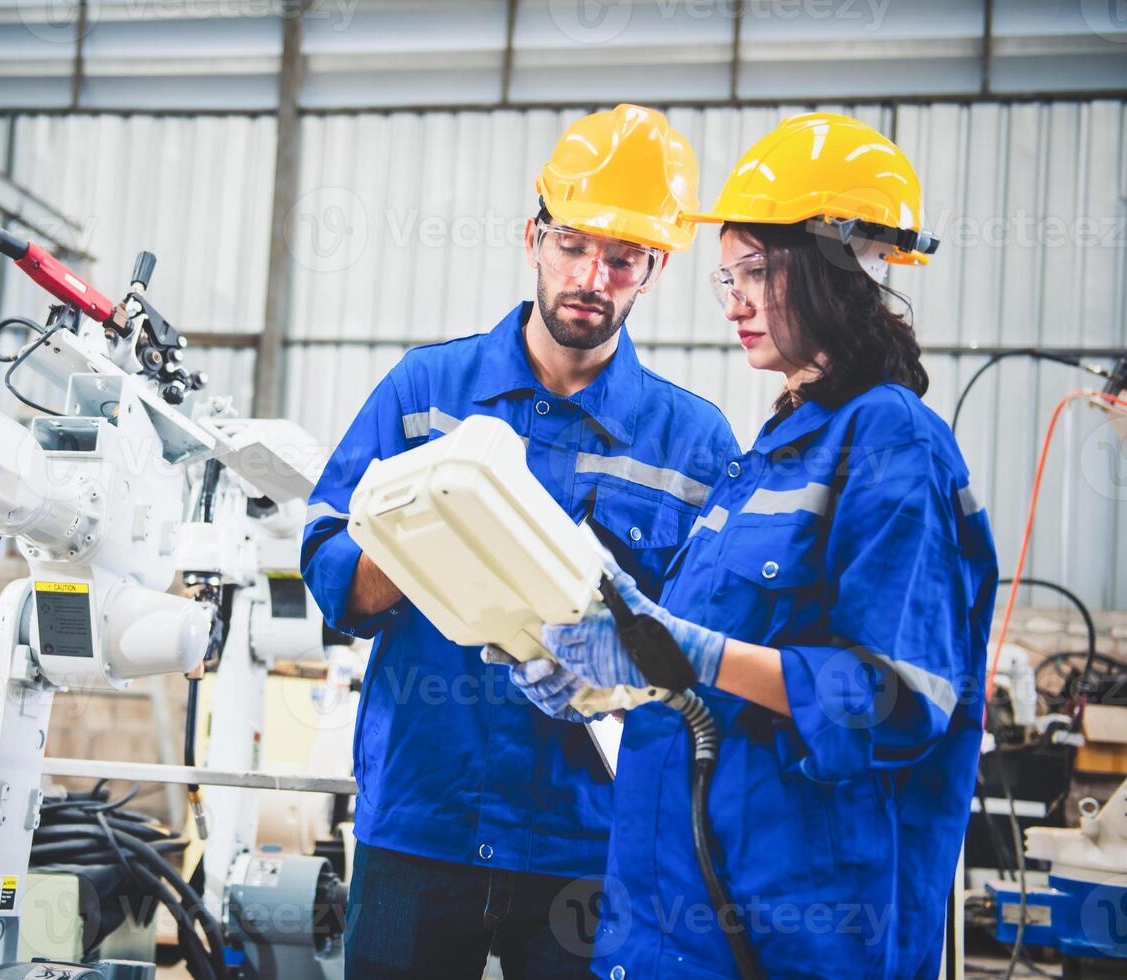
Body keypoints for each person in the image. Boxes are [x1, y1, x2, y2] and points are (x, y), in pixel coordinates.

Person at [515, 113, 999, 978]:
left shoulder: (892, 443)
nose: (733, 299)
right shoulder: (768, 457)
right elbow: (719, 683)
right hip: (671, 926)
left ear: (836, 274)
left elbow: (898, 698)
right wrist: (613, 679)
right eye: (725, 277)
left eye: (756, 272)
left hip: (798, 935)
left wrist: (683, 651)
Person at [301, 105, 739, 978]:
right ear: (533, 235)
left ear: (652, 271)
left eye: (623, 259)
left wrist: (616, 664)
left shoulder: (693, 444)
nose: (593, 275)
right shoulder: (426, 390)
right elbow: (329, 571)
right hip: (422, 823)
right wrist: (436, 530)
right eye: (574, 245)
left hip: (590, 843)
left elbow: (701, 649)